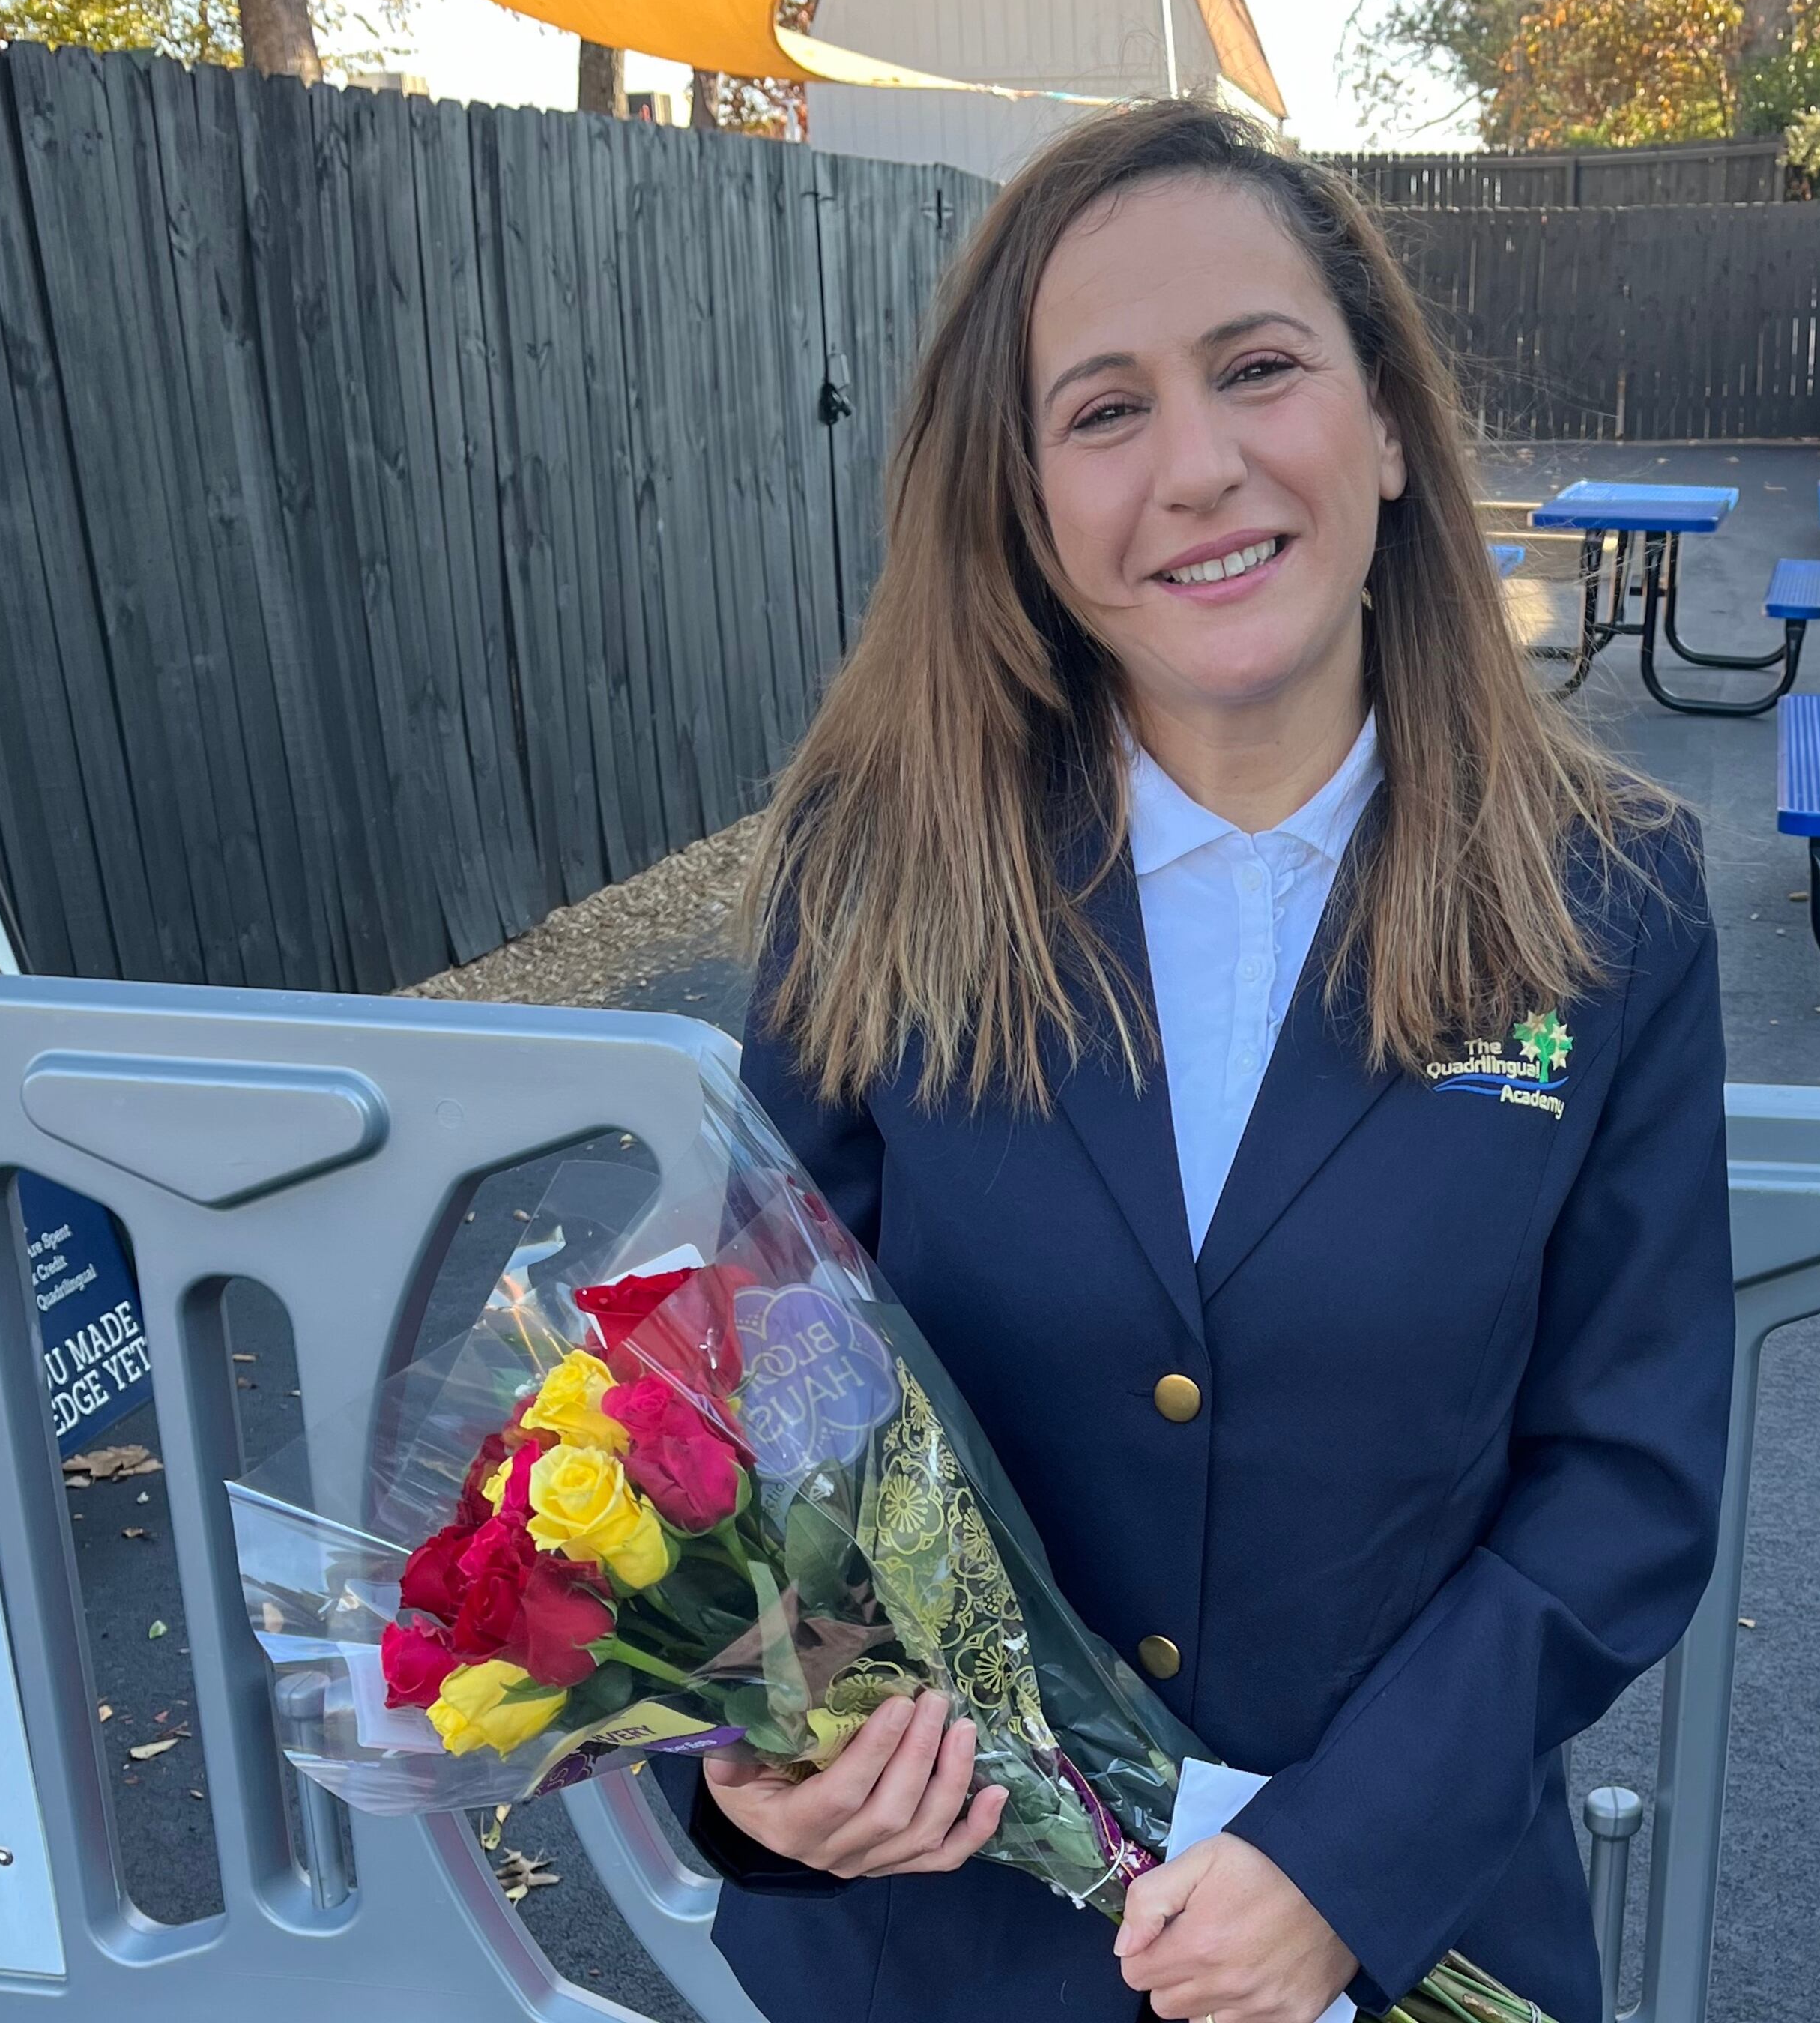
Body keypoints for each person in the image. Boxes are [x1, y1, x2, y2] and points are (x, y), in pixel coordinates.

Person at [674, 98, 1733, 2023]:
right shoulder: (880, 869)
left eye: (1258, 368)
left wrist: (1345, 1865)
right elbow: (773, 1383)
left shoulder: (1614, 902)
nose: (1199, 465)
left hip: (1390, 1952)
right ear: (1024, 504)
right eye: (1102, 411)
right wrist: (766, 1749)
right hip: (941, 1949)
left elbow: (1624, 1480)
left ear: (1390, 424)